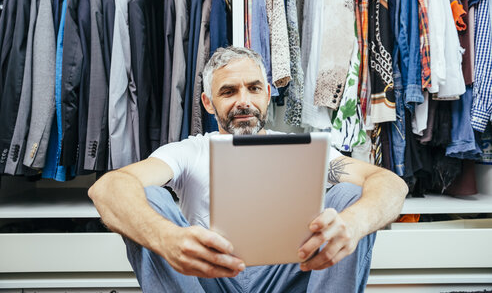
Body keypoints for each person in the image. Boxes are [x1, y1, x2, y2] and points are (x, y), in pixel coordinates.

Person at [89, 46, 408, 292]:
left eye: (254, 88)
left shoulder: (305, 150)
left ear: (268, 94)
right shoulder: (189, 152)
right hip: (209, 275)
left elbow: (389, 183)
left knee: (352, 193)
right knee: (143, 197)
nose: (244, 100)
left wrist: (354, 224)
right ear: (208, 103)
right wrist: (165, 238)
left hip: (292, 271)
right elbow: (107, 187)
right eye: (228, 91)